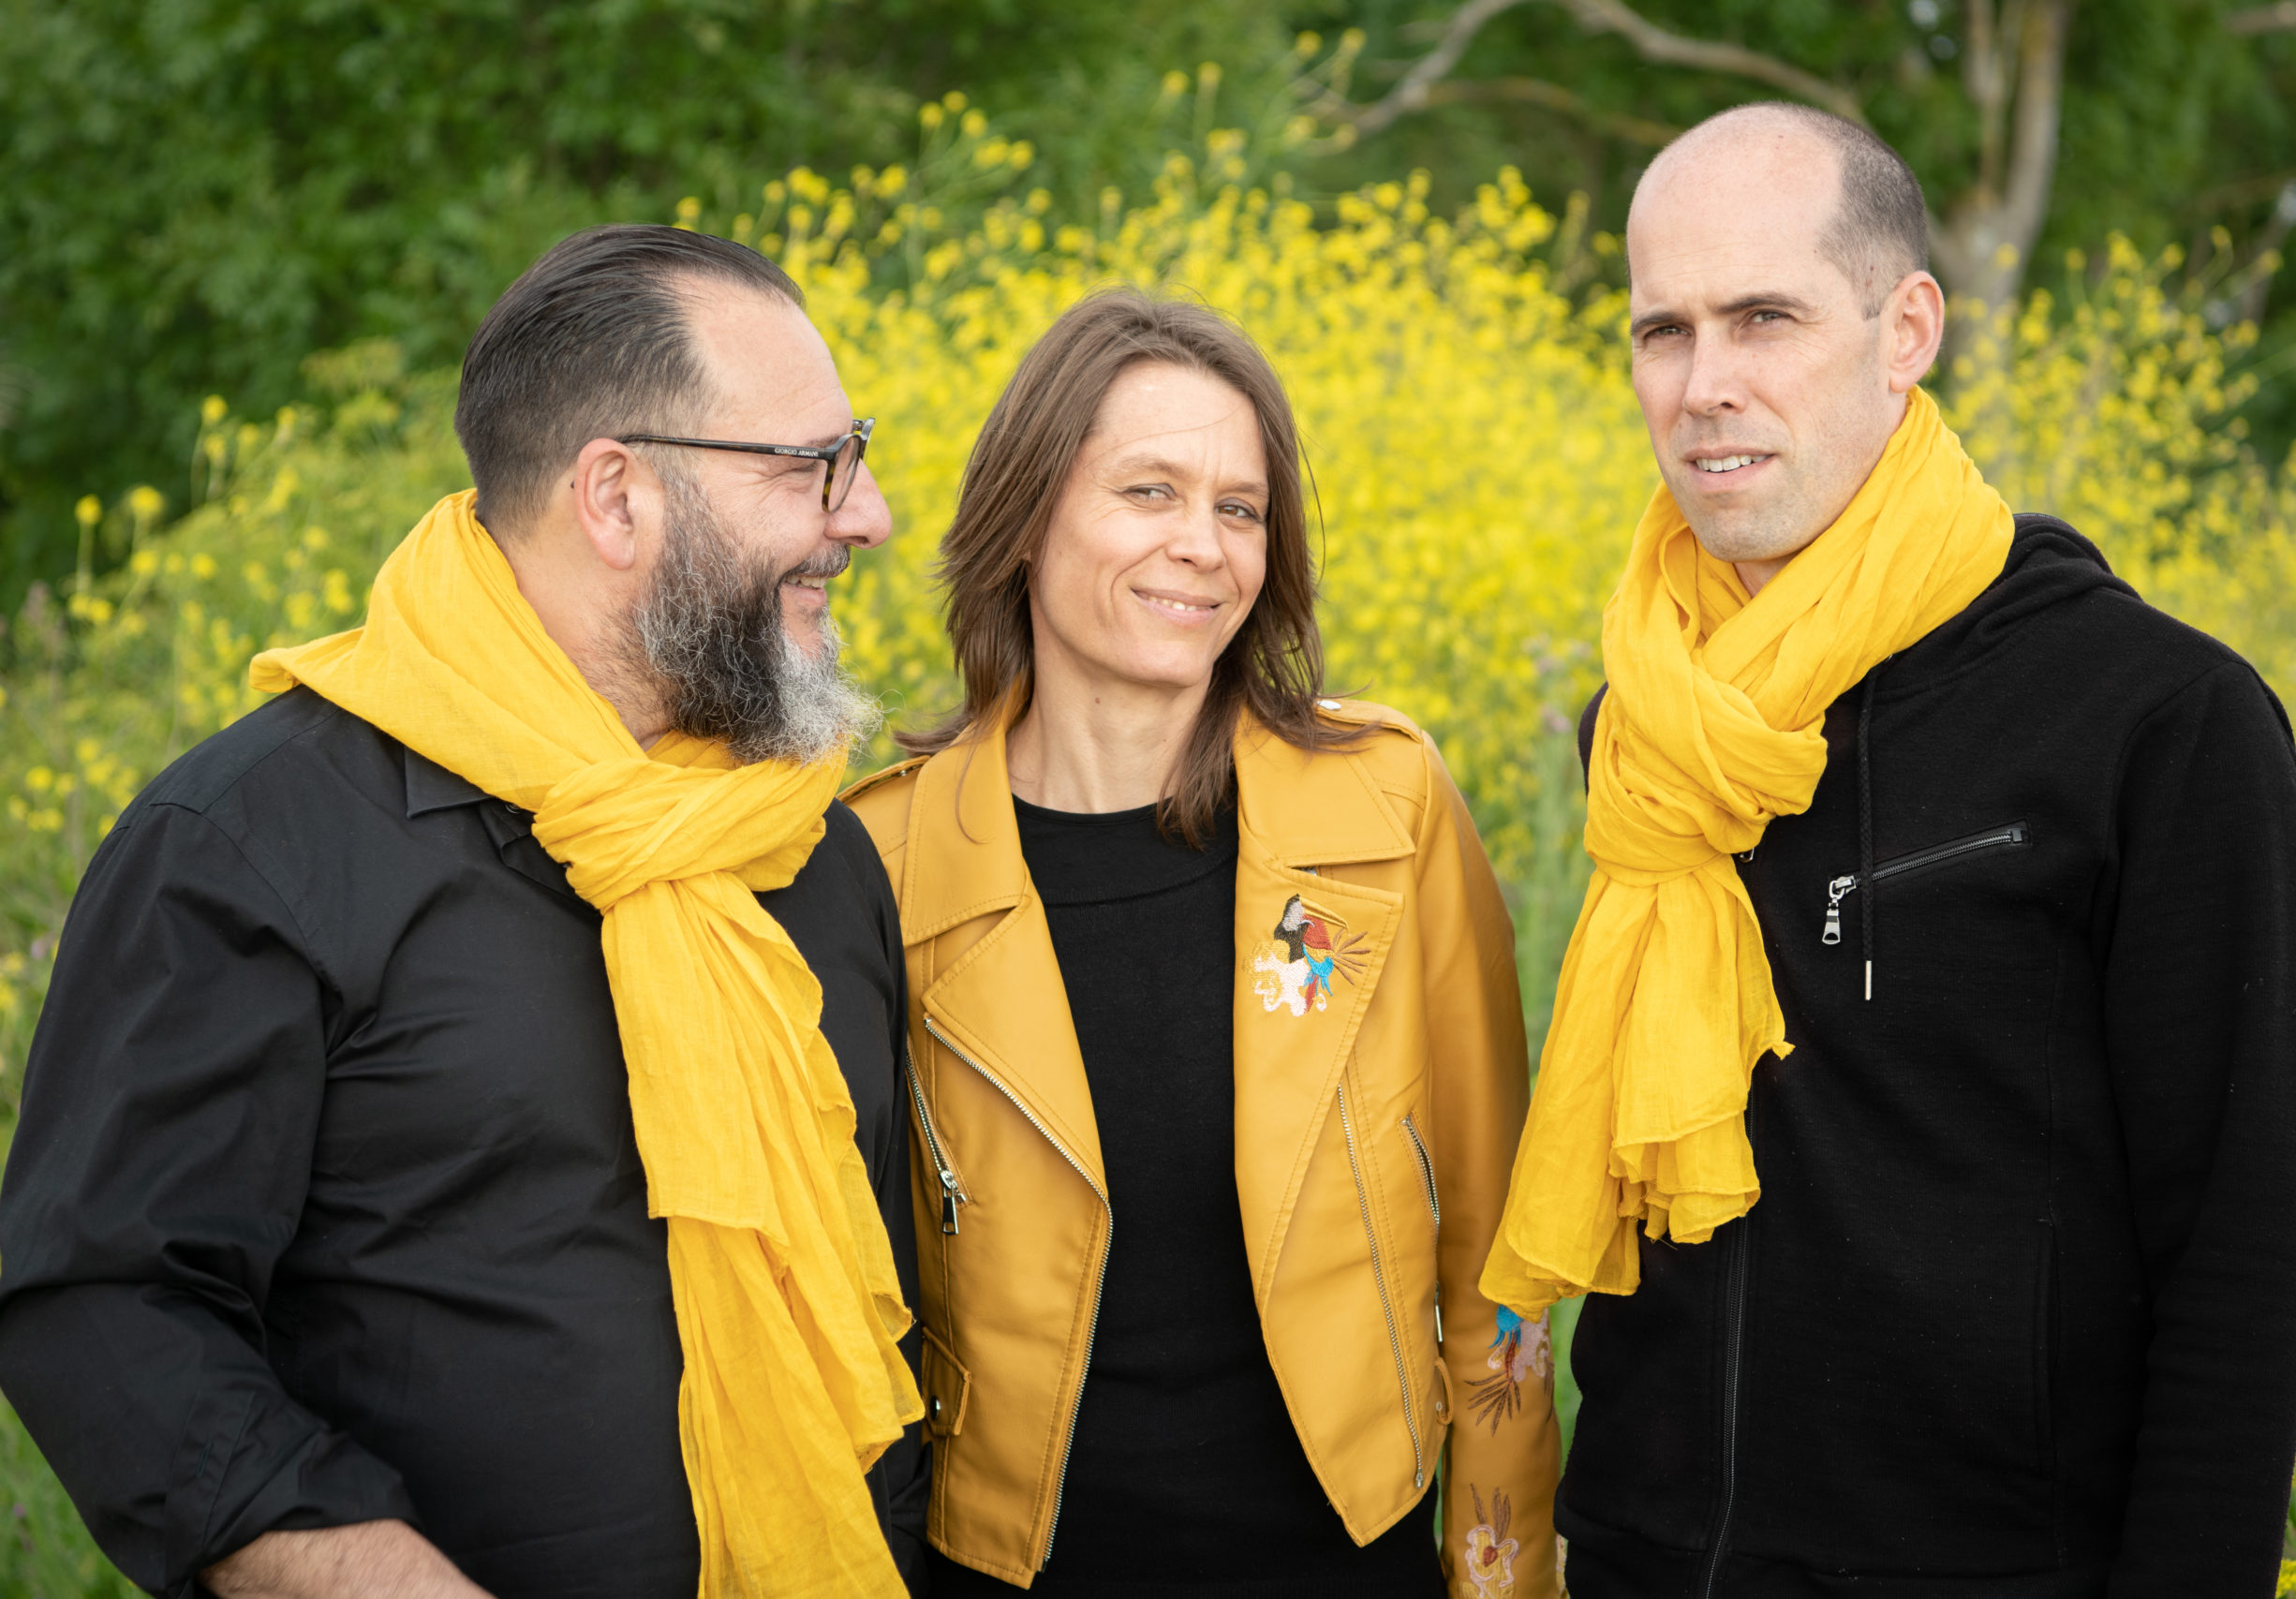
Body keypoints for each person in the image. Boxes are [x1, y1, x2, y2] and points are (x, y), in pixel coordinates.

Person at [1476, 103, 2296, 1597]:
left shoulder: (2157, 722)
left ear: (1907, 329)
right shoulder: (1645, 724)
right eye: (1661, 332)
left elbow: (2241, 1269)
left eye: (1765, 319)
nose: (1705, 386)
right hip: (1639, 1563)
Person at [0, 225, 930, 1599]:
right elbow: (106, 1305)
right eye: (813, 466)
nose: (866, 517)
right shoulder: (251, 844)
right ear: (616, 496)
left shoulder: (802, 844)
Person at [841, 289, 1561, 1598]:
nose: (1203, 547)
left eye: (1239, 509)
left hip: (1352, 1562)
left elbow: (1500, 1258)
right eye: (1149, 492)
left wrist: (1502, 1571)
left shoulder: (1384, 808)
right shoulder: (879, 865)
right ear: (1023, 521)